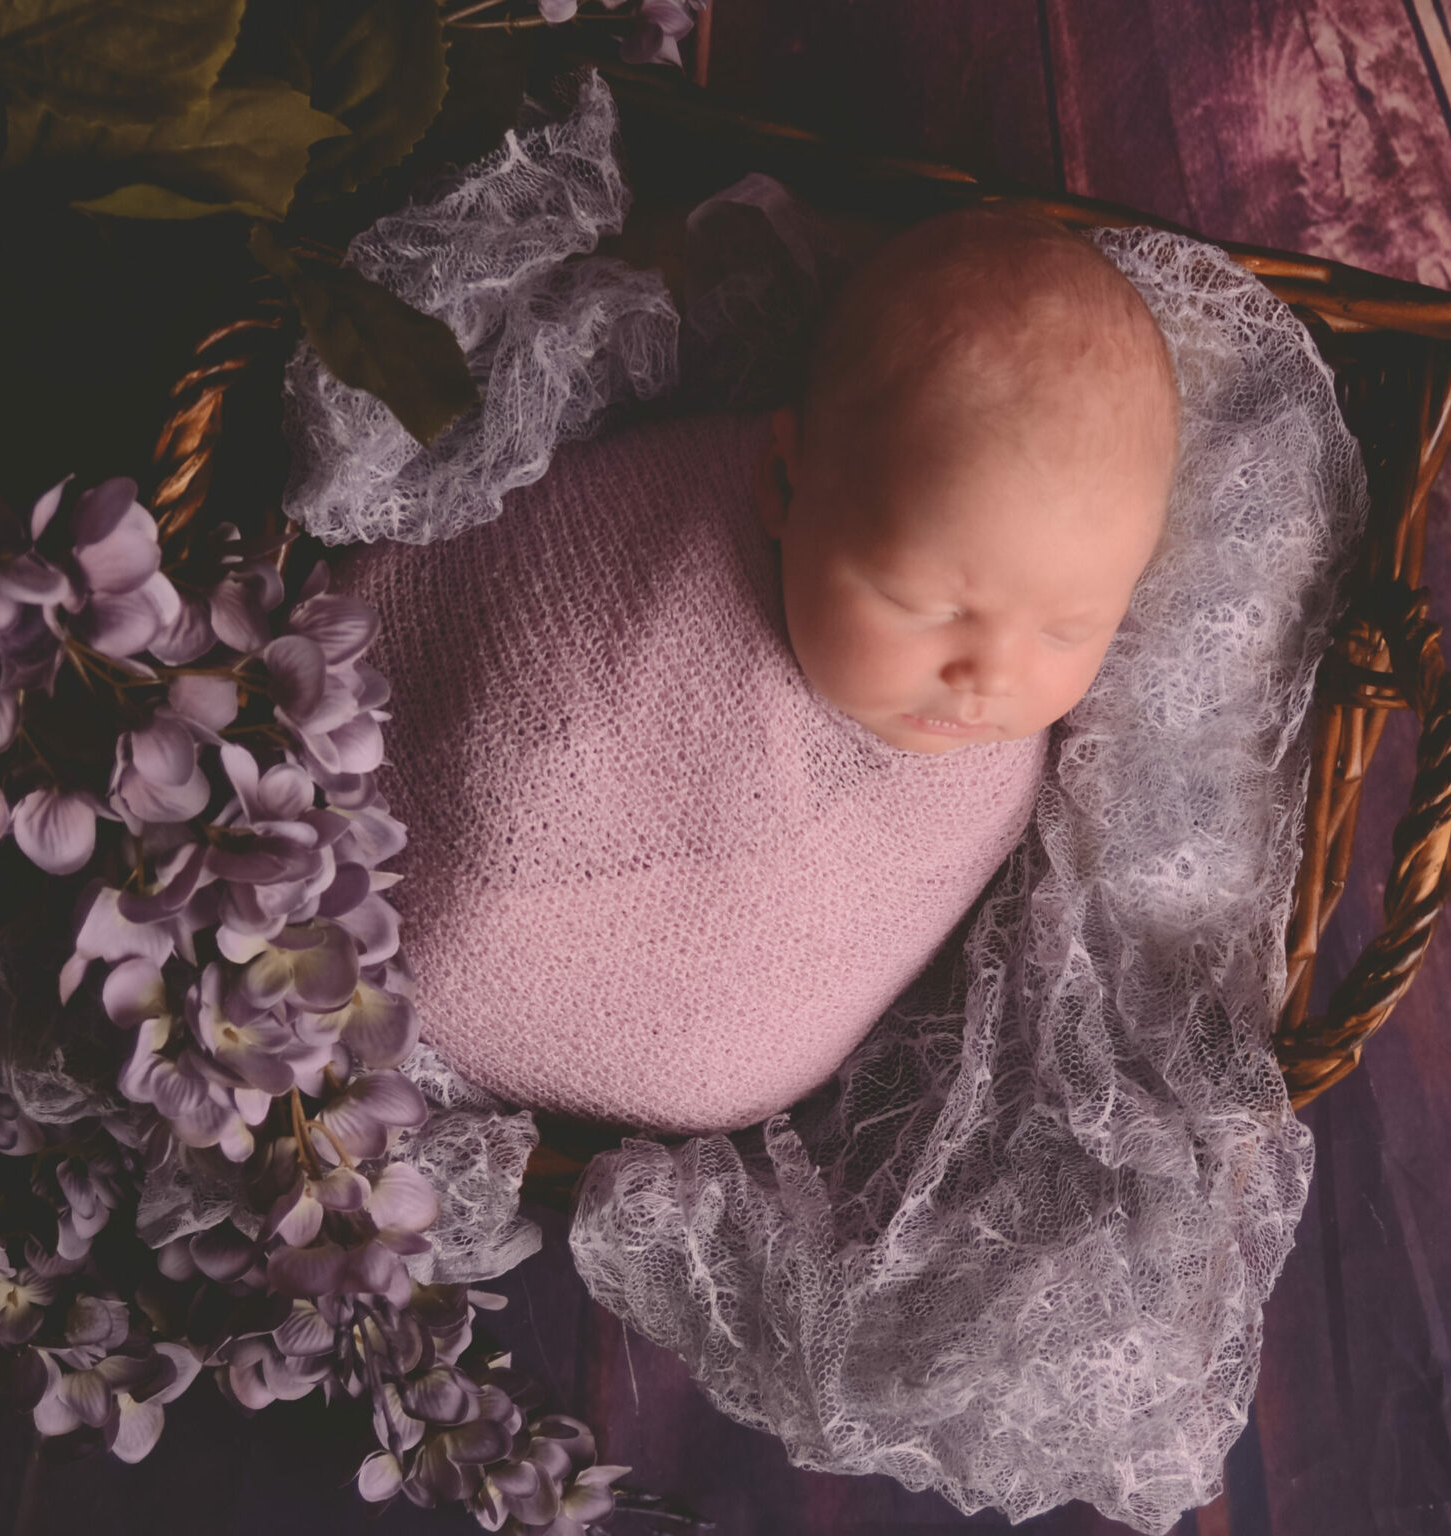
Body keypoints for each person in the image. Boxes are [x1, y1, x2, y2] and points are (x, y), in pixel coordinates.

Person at [333, 203, 1181, 1137]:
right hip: (412, 876)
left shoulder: (988, 771)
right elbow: (521, 649)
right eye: (924, 605)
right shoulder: (661, 546)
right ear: (783, 484)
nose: (989, 677)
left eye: (1069, 629)